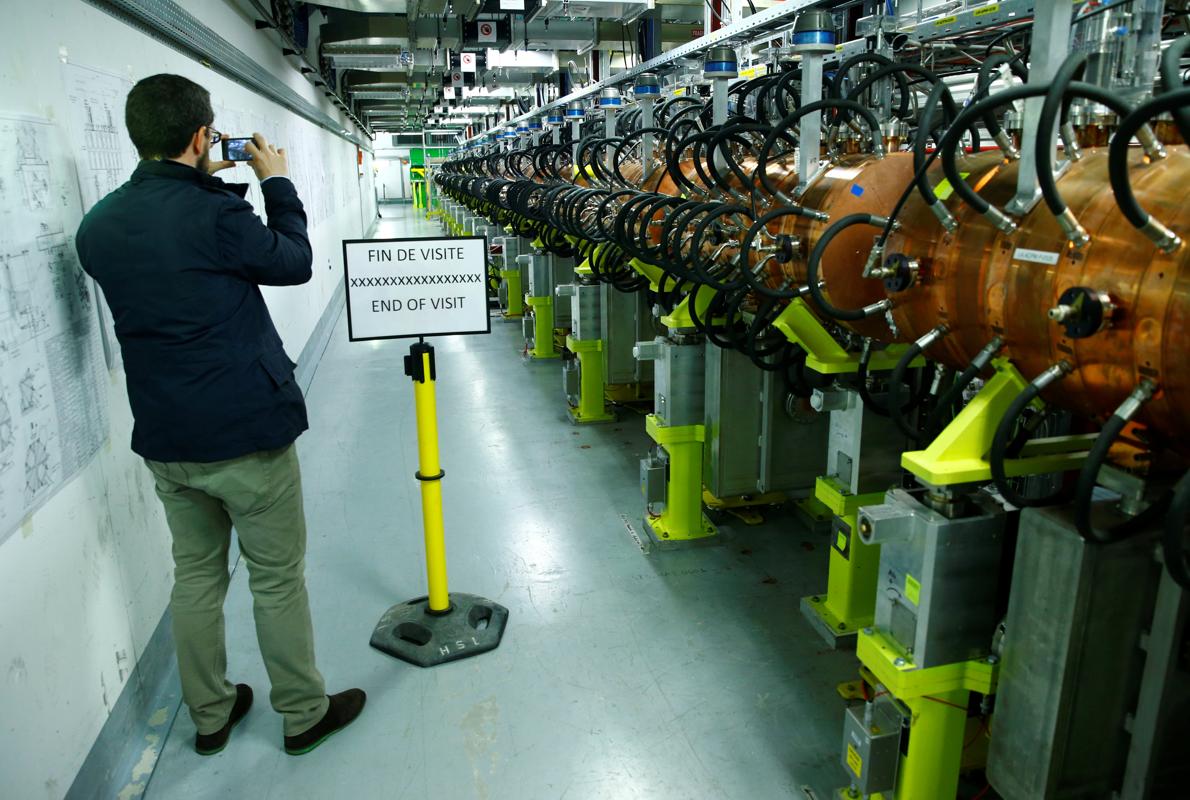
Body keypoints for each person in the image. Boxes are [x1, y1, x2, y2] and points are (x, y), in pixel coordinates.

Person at [75, 74, 365, 757]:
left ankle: (209, 714)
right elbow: (292, 262)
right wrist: (275, 182)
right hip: (245, 435)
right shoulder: (216, 215)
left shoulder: (99, 227)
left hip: (168, 438)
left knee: (197, 575)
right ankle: (301, 712)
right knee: (275, 577)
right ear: (203, 137)